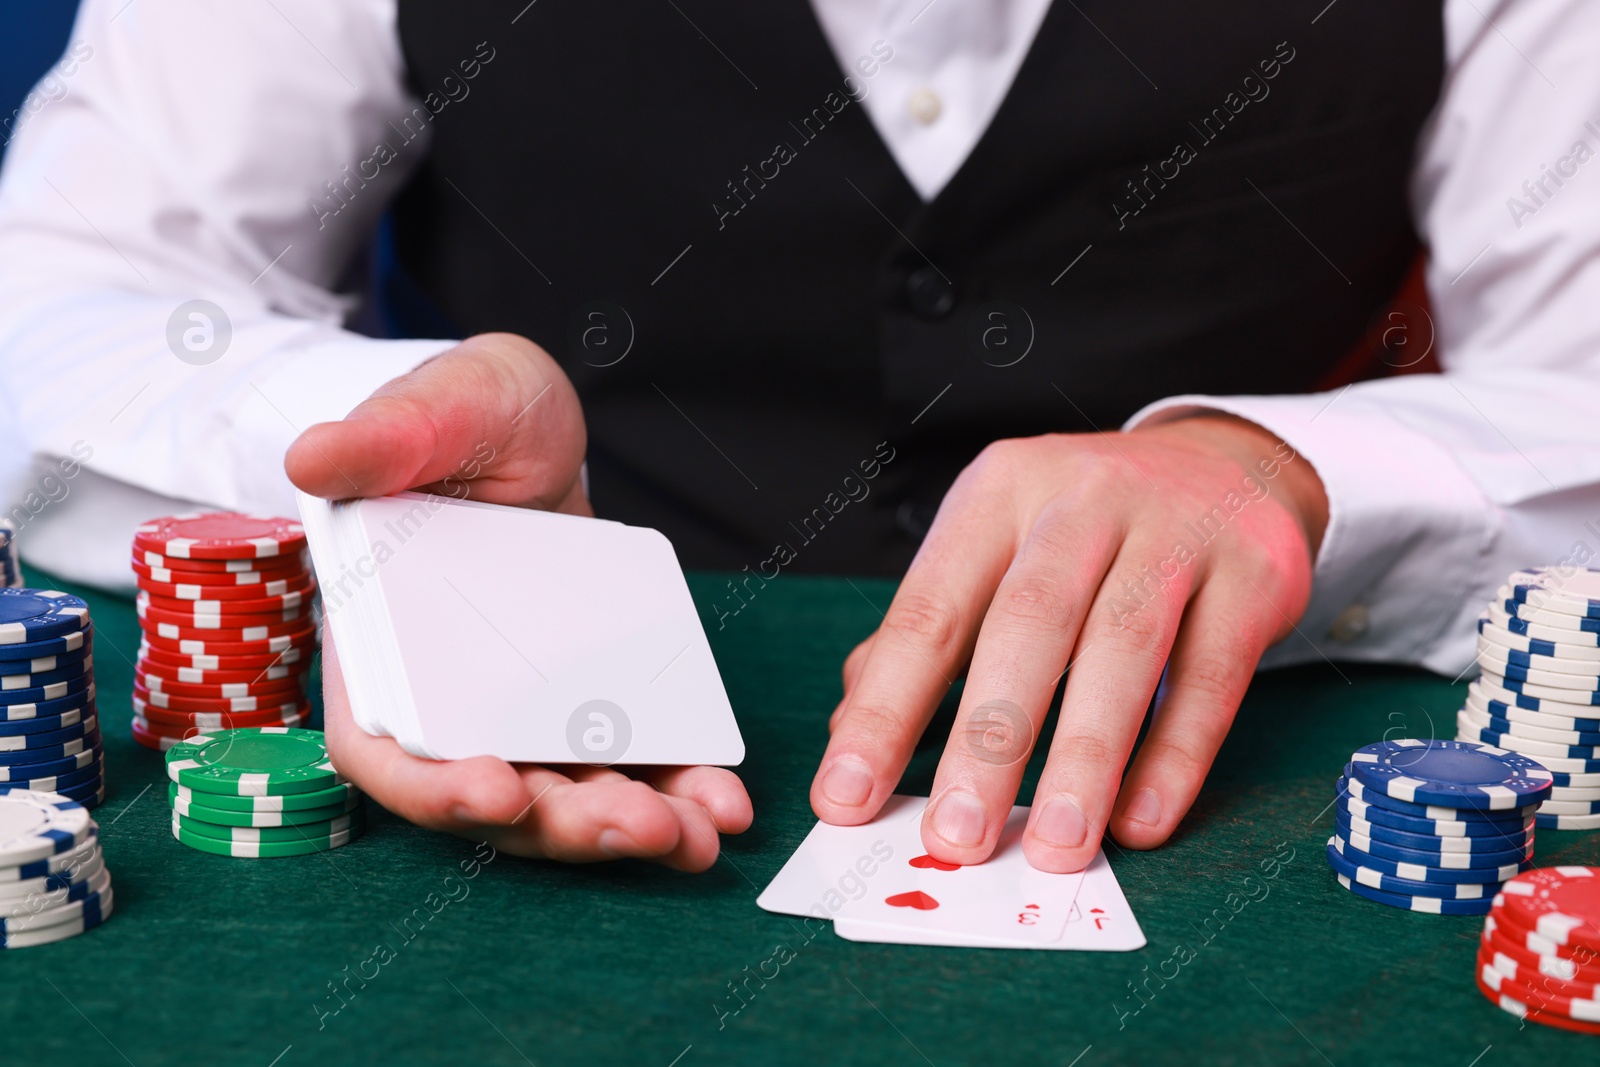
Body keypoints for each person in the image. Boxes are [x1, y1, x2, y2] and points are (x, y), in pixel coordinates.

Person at [2, 0, 1599, 874]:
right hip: (583, 772)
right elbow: (50, 314)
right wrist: (383, 487)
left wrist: (1283, 474)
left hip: (1239, 786)